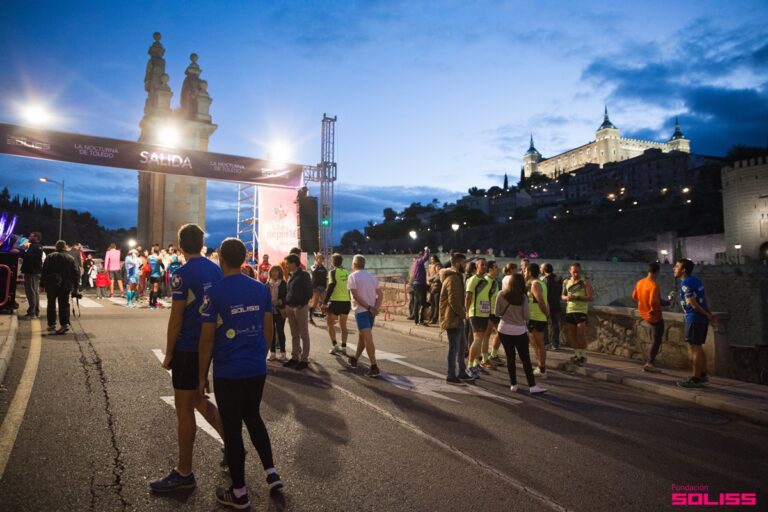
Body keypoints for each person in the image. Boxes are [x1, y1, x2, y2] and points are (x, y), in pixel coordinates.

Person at [198, 238, 283, 509]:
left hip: (228, 369)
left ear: (221, 260)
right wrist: (260, 355)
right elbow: (268, 328)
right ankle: (271, 474)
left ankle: (239, 492)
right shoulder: (260, 288)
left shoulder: (214, 292)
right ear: (244, 259)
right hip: (256, 367)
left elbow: (207, 339)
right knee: (254, 417)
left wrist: (202, 375)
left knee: (232, 428)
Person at [150, 224, 225, 493]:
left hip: (187, 346)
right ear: (202, 244)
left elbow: (176, 318)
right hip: (210, 344)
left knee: (184, 409)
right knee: (198, 399)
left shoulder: (181, 274)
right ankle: (233, 448)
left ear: (180, 245)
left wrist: (169, 353)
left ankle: (184, 473)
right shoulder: (216, 270)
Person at [495, 273, 547, 394]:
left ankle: (513, 384)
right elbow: (526, 316)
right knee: (525, 359)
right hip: (519, 331)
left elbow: (497, 313)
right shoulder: (523, 297)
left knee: (510, 357)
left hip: (504, 330)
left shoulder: (501, 294)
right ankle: (532, 386)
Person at [674, 259, 714, 389]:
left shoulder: (686, 282)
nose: (674, 268)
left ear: (684, 270)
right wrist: (708, 313)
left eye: (677, 266)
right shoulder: (696, 280)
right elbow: (704, 299)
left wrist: (706, 314)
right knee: (698, 347)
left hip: (694, 318)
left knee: (695, 348)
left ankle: (696, 379)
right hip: (699, 319)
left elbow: (693, 303)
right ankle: (702, 374)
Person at [347, 255, 383, 378]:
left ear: (354, 264)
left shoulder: (352, 276)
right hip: (370, 312)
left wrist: (368, 307)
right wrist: (376, 307)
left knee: (367, 338)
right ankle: (355, 359)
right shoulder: (371, 277)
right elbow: (380, 294)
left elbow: (355, 296)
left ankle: (374, 366)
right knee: (362, 337)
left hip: (362, 311)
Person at [439, 252, 471, 384]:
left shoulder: (456, 277)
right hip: (452, 318)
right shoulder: (453, 278)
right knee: (454, 348)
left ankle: (462, 372)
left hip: (456, 317)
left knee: (462, 346)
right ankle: (451, 375)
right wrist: (463, 314)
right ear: (457, 264)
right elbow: (454, 300)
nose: (465, 265)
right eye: (463, 263)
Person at [632, 262, 667, 373]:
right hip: (655, 316)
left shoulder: (640, 282)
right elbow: (654, 302)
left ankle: (649, 362)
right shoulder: (654, 285)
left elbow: (634, 296)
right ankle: (649, 363)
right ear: (657, 272)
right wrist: (667, 303)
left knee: (654, 339)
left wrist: (644, 301)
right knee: (656, 340)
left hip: (644, 314)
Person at [40, 240, 79, 334]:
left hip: (51, 284)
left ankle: (51, 325)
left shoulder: (50, 257)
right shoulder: (70, 258)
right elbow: (75, 274)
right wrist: (75, 287)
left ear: (56, 247)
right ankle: (64, 324)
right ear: (65, 247)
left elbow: (44, 271)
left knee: (51, 304)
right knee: (64, 305)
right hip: (65, 285)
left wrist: (42, 285)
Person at [282, 253, 312, 370]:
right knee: (294, 334)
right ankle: (295, 357)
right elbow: (289, 292)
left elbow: (309, 292)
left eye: (287, 263)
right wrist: (286, 305)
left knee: (304, 334)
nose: (286, 266)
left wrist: (301, 304)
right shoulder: (291, 275)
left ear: (294, 263)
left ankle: (304, 359)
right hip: (290, 307)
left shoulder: (304, 275)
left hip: (300, 308)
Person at [465, 258, 492, 378]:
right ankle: (470, 366)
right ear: (477, 266)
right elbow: (468, 297)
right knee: (477, 339)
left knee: (479, 340)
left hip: (484, 313)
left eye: (486, 265)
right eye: (482, 265)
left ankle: (476, 363)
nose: (484, 267)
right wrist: (467, 311)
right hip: (475, 313)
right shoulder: (473, 280)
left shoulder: (485, 280)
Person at [562, 263, 593, 365]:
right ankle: (577, 355)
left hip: (581, 311)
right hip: (570, 310)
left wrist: (577, 298)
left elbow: (590, 297)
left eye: (578, 272)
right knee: (572, 335)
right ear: (570, 271)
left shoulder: (585, 282)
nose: (576, 274)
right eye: (574, 272)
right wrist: (567, 298)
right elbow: (562, 296)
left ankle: (583, 356)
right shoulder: (566, 282)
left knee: (580, 334)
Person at [526, 263, 550, 379]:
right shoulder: (540, 283)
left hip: (537, 318)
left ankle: (542, 369)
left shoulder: (535, 284)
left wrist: (546, 315)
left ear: (530, 272)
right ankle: (540, 366)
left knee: (539, 344)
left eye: (525, 271)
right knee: (535, 344)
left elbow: (541, 301)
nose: (524, 273)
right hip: (534, 317)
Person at [323, 253, 351, 355]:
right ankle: (343, 347)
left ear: (333, 262)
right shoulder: (347, 272)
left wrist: (324, 302)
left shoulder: (332, 272)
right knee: (343, 325)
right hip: (346, 302)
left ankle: (335, 345)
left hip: (336, 301)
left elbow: (331, 286)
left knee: (329, 323)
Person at [21, 231, 44, 319]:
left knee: (30, 292)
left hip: (31, 272)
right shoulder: (38, 246)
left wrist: (20, 251)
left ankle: (32, 313)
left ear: (36, 237)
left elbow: (28, 257)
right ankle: (36, 312)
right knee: (34, 292)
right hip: (35, 271)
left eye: (31, 236)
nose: (29, 237)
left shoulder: (34, 246)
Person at [267, 266, 287, 361]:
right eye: (272, 271)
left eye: (276, 271)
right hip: (269, 311)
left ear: (280, 273)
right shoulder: (267, 284)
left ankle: (283, 352)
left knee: (280, 331)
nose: (274, 273)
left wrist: (280, 301)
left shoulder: (284, 284)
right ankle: (272, 353)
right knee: (271, 332)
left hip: (280, 311)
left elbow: (287, 297)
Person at [541, 263, 562, 350]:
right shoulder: (558, 278)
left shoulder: (544, 280)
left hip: (547, 304)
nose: (540, 269)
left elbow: (544, 293)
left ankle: (546, 343)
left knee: (544, 324)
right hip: (556, 304)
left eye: (541, 268)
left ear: (544, 270)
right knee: (555, 324)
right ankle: (555, 343)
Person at [411, 247, 430, 325]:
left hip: (416, 284)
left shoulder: (414, 264)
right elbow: (426, 257)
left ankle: (417, 320)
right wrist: (426, 249)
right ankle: (420, 320)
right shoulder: (419, 262)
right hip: (420, 284)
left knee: (417, 302)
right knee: (422, 302)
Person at [309, 253, 328, 325]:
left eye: (322, 258)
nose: (321, 260)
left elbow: (325, 278)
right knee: (314, 303)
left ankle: (326, 316)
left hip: (322, 287)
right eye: (319, 258)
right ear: (316, 259)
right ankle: (310, 317)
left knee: (324, 302)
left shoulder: (324, 268)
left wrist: (326, 287)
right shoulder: (313, 266)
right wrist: (317, 265)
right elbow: (314, 273)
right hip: (315, 287)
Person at [426, 255, 442, 326]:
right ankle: (431, 318)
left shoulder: (440, 272)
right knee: (432, 305)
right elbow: (428, 278)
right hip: (432, 289)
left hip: (437, 289)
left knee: (436, 305)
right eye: (431, 259)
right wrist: (432, 278)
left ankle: (434, 319)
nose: (438, 268)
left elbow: (434, 278)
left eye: (433, 259)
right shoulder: (431, 268)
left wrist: (431, 278)